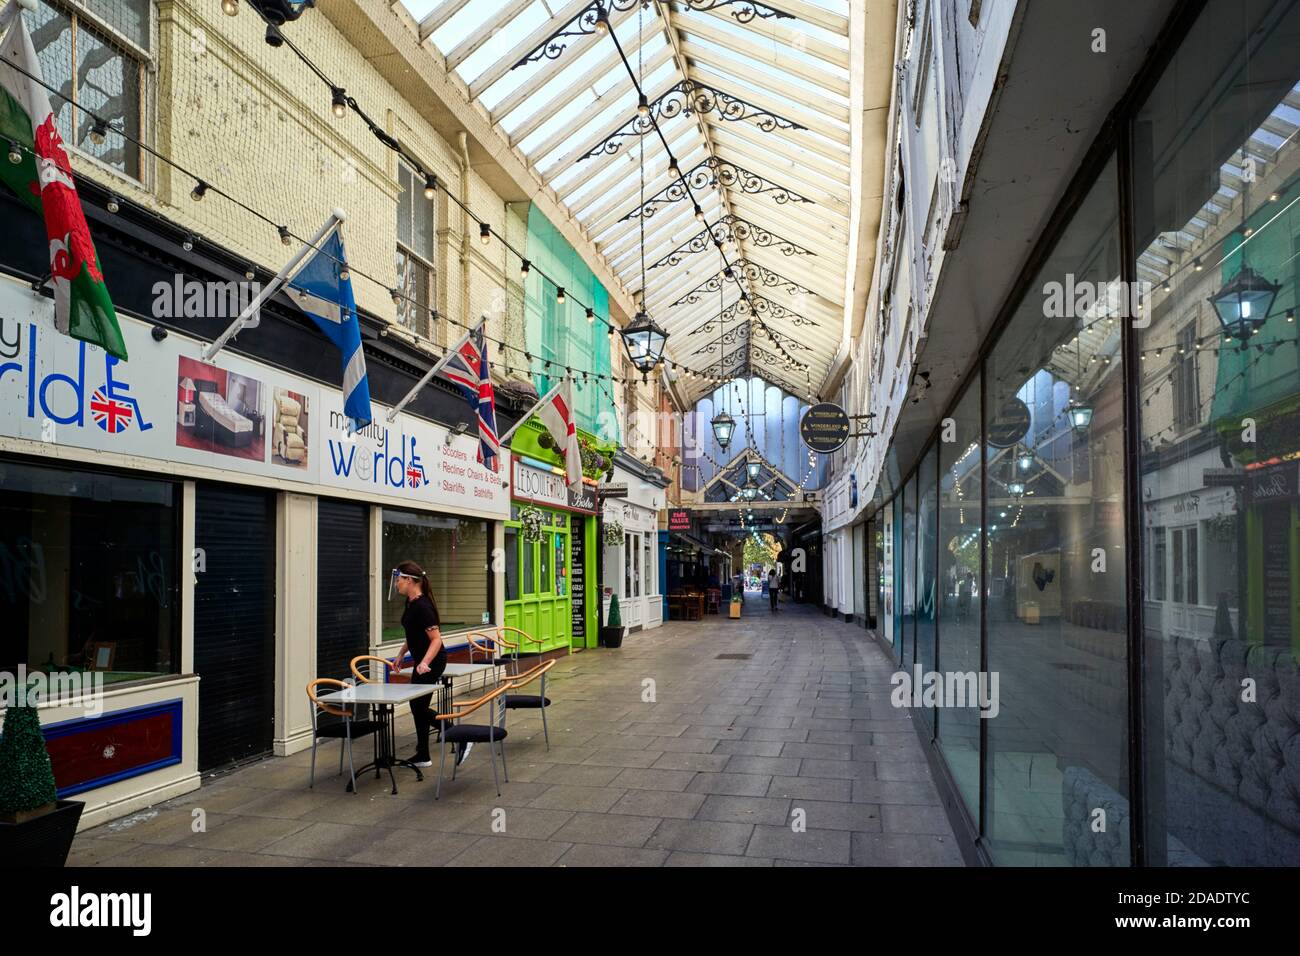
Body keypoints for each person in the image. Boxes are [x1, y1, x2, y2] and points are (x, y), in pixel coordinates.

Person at [388, 561, 470, 769]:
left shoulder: (423, 606)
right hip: (421, 662)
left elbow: (436, 640)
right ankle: (423, 753)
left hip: (432, 662)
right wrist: (401, 654)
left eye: (399, 580)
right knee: (418, 706)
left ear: (409, 580)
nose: (397, 584)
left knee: (418, 706)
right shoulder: (412, 603)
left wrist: (424, 662)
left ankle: (460, 737)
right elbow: (414, 634)